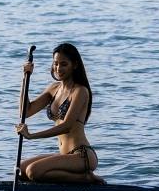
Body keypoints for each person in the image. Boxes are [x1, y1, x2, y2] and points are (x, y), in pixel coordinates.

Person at [17, 42, 100, 183]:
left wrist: (31, 136)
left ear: (74, 65)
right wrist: (25, 78)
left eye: (63, 64)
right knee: (20, 170)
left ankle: (84, 178)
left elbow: (67, 125)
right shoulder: (54, 89)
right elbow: (26, 112)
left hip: (81, 155)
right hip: (65, 156)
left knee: (33, 171)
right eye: (55, 63)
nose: (58, 68)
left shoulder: (80, 91)